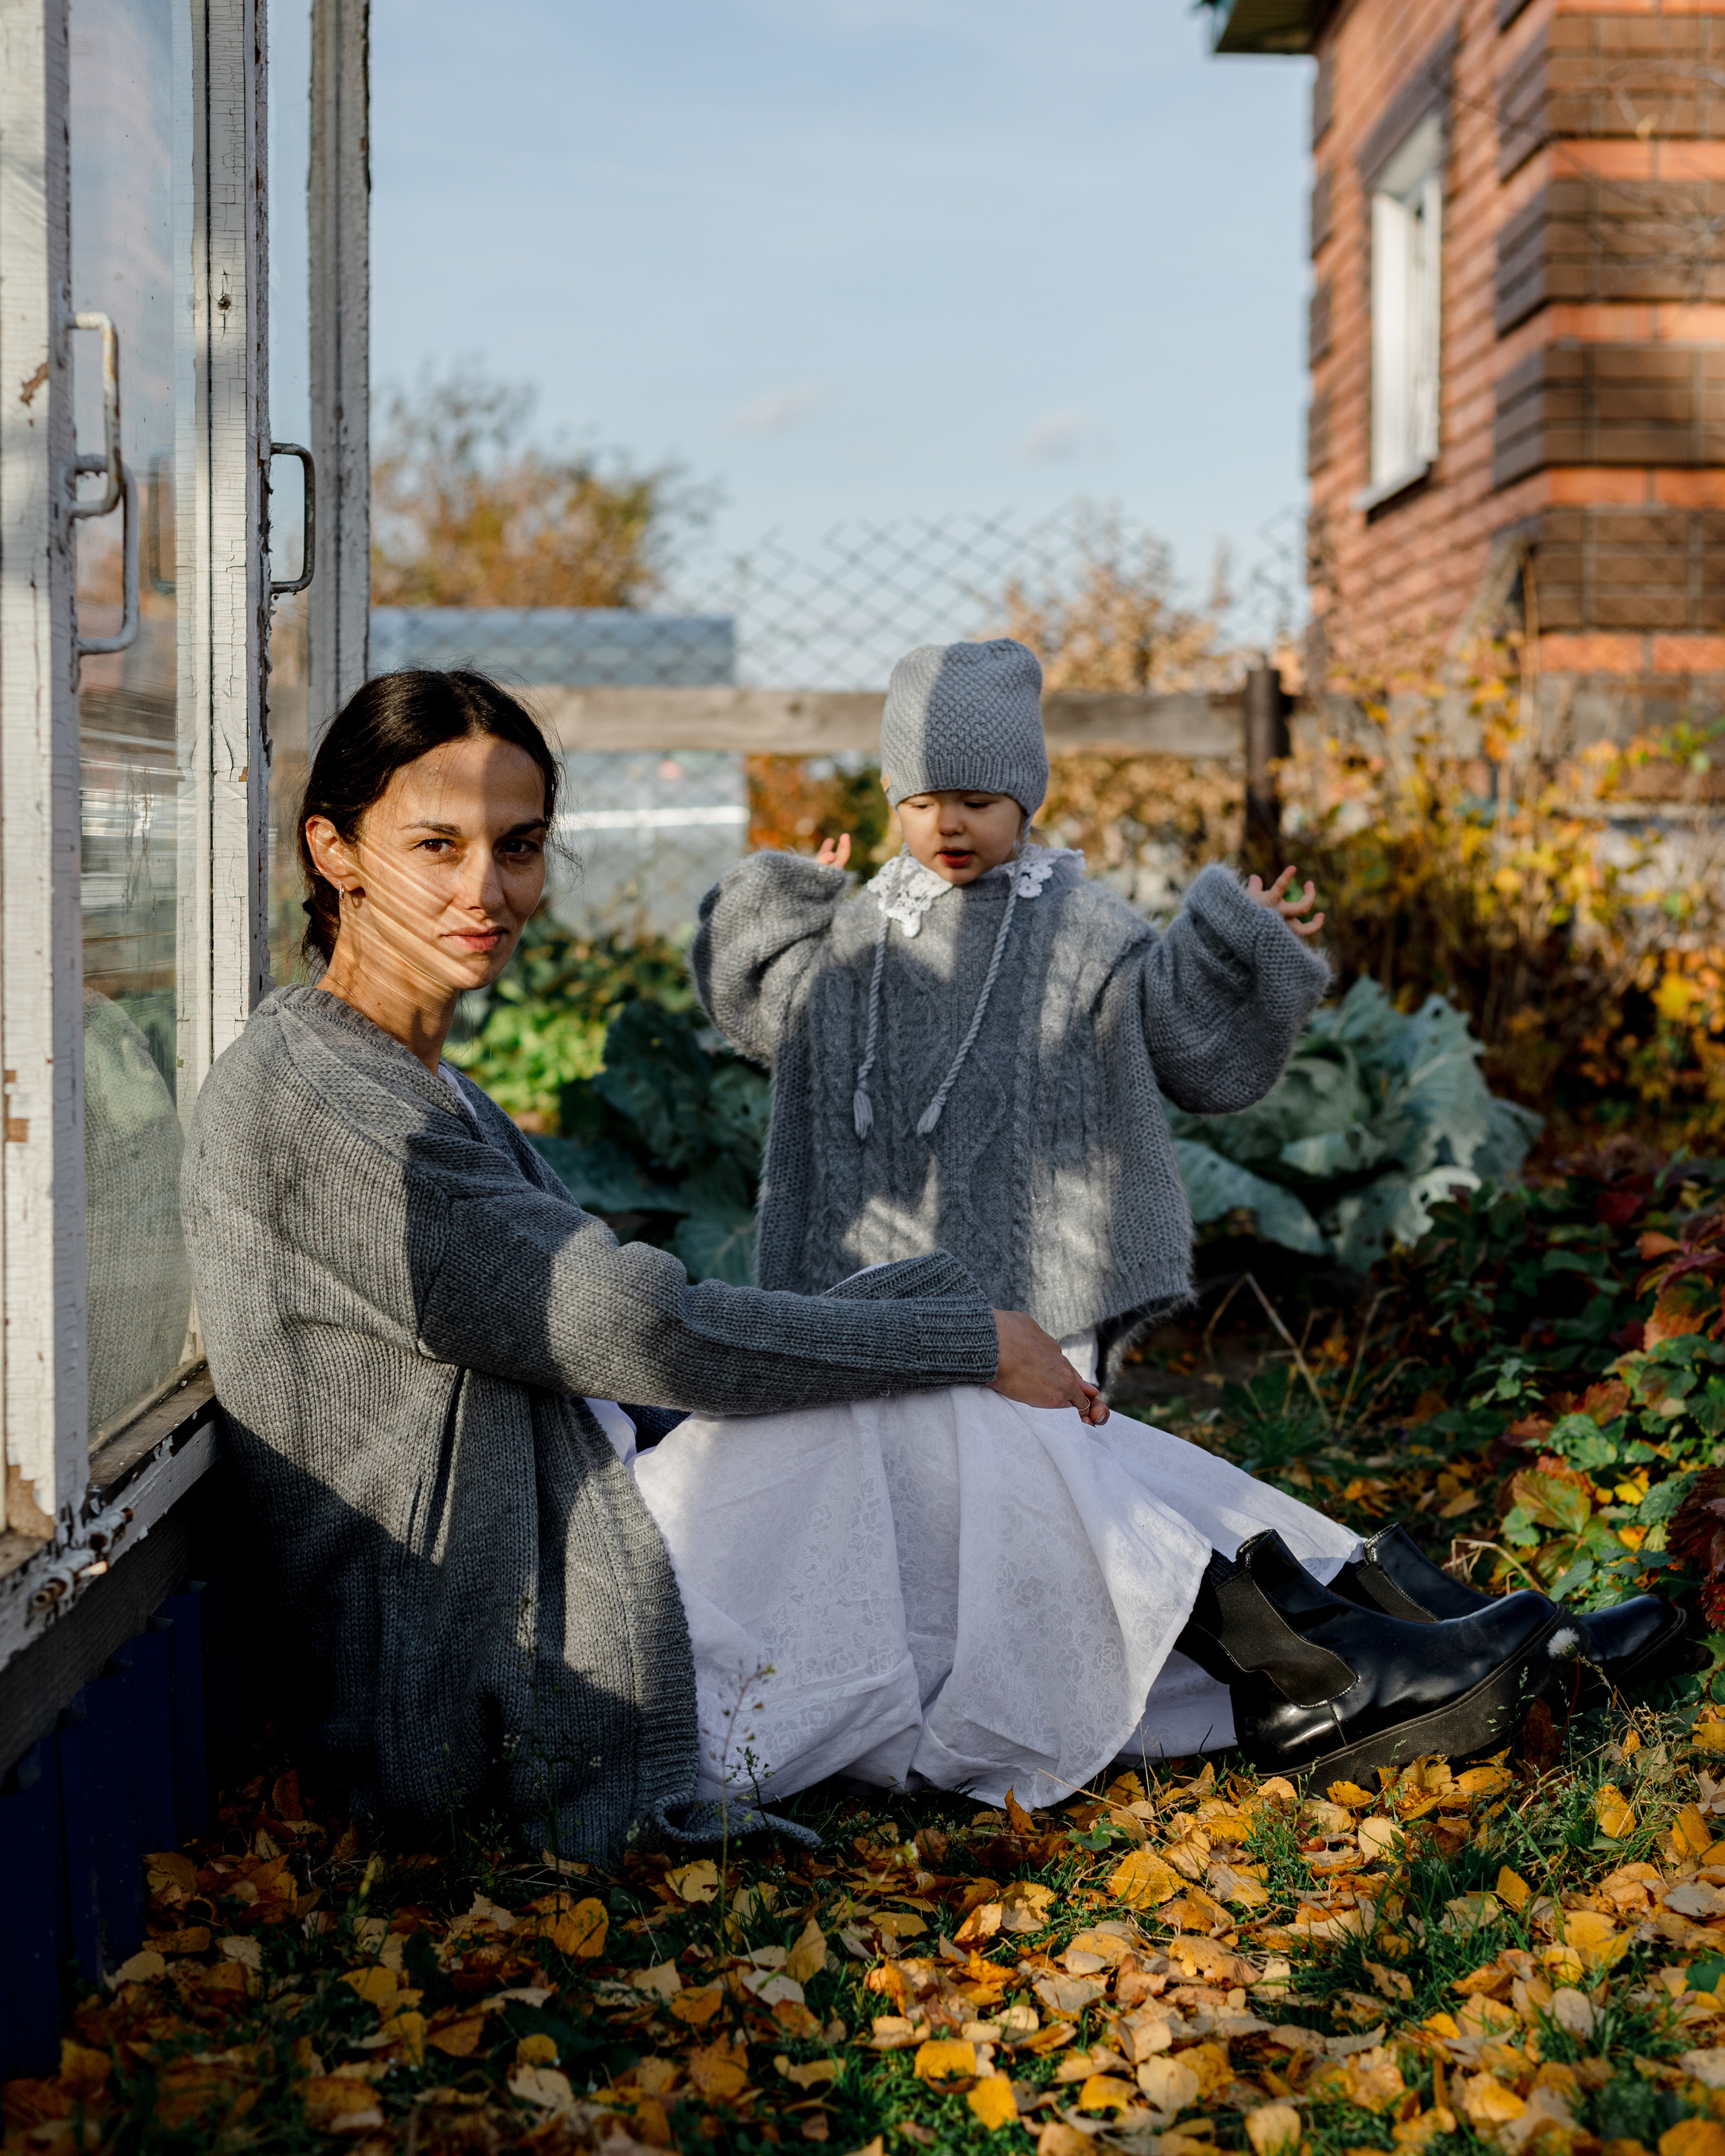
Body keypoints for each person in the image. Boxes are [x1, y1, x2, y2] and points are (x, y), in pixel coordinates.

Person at [181, 670, 1667, 1865]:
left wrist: (927, 1330)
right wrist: (947, 1338)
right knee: (941, 1380)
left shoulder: (410, 1079)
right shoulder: (321, 1100)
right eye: (435, 845)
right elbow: (630, 1331)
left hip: (571, 1560)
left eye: (516, 845)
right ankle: (1329, 1649)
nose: (486, 888)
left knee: (935, 1374)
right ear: (334, 850)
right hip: (508, 1666)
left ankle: (1356, 1633)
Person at [691, 637, 1331, 1386]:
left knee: (1031, 1449)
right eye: (922, 803)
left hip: (1045, 1255)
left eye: (977, 802)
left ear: (1027, 798)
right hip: (872, 1248)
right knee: (886, 1440)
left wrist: (1227, 940)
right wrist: (784, 902)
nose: (948, 825)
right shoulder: (866, 928)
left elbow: (1168, 1029)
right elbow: (770, 1008)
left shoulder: (1080, 924)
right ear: (892, 794)